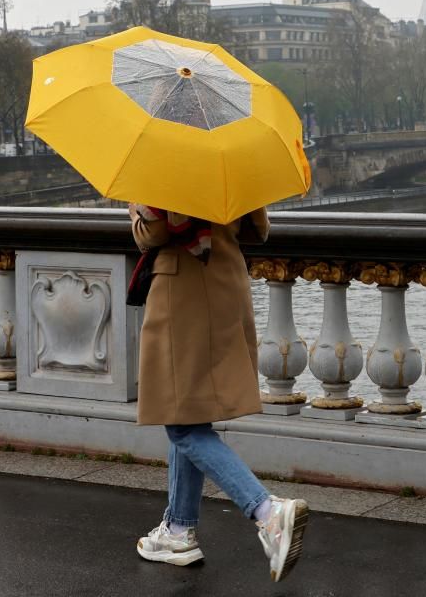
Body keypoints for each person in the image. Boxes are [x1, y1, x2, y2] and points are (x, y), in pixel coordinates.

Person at [129, 203, 308, 582]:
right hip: (226, 282)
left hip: (183, 293)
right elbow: (256, 229)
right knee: (188, 413)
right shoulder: (224, 161)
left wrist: (135, 212)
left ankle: (267, 512)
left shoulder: (168, 164)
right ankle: (178, 531)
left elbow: (155, 233)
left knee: (180, 424)